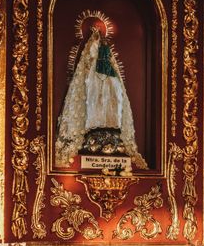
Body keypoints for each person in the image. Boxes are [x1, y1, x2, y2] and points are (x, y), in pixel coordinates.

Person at [55, 26, 147, 169]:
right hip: (93, 116)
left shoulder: (113, 78)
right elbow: (88, 92)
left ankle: (108, 134)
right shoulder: (90, 73)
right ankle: (96, 135)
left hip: (111, 119)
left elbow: (118, 97)